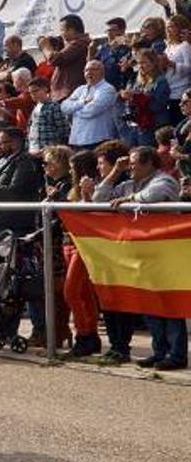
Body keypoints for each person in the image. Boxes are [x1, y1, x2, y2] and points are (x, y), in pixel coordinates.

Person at [93, 146, 185, 371]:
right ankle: (159, 351)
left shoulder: (164, 180)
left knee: (169, 305)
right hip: (143, 254)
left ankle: (177, 354)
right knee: (150, 303)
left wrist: (130, 199)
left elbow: (154, 196)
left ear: (149, 164)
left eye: (134, 164)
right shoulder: (128, 183)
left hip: (166, 253)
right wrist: (115, 172)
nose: (130, 168)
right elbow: (99, 198)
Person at [61, 60, 121, 149]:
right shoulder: (80, 89)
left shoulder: (107, 89)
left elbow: (91, 111)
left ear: (102, 72)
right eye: (86, 70)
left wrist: (74, 110)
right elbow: (64, 107)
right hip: (77, 139)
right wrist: (83, 102)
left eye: (93, 69)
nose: (89, 72)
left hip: (97, 139)